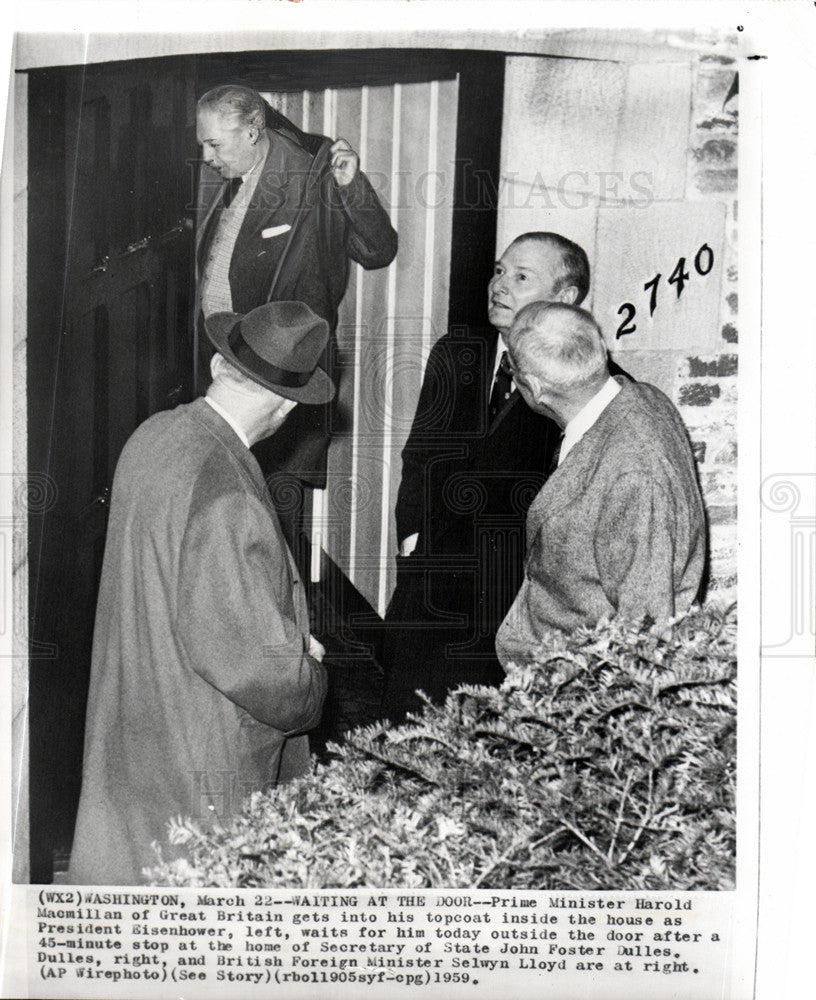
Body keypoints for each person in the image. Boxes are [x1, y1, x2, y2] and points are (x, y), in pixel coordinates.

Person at [69, 301, 333, 885]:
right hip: (203, 759)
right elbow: (245, 662)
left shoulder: (153, 434)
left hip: (137, 732)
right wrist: (308, 674)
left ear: (217, 365)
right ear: (289, 406)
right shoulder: (229, 492)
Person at [381, 232, 627, 720]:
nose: (500, 285)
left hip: (506, 604)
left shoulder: (591, 384)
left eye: (521, 277)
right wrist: (411, 538)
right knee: (402, 727)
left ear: (566, 298)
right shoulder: (458, 353)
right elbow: (420, 454)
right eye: (499, 271)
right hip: (429, 587)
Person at [195, 84, 397, 550]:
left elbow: (378, 250)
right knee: (228, 503)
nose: (206, 156)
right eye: (202, 143)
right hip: (229, 360)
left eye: (213, 144)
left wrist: (352, 186)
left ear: (252, 131)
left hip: (278, 375)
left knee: (272, 521)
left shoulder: (310, 177)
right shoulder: (229, 169)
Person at [496, 301, 706, 667]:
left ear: (531, 386)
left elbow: (645, 639)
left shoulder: (635, 475)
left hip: (583, 691)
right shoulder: (639, 396)